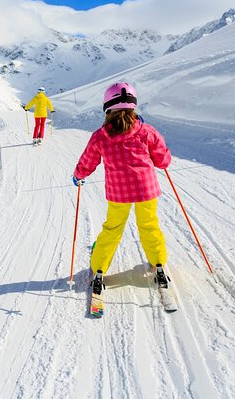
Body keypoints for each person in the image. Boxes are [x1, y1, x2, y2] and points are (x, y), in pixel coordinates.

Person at [71, 82, 172, 286]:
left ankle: (99, 267)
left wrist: (79, 175)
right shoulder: (146, 131)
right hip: (146, 190)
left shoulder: (100, 136)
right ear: (133, 106)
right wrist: (162, 160)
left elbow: (88, 160)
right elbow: (162, 159)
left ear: (107, 107)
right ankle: (158, 263)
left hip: (119, 193)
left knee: (113, 228)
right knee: (149, 225)